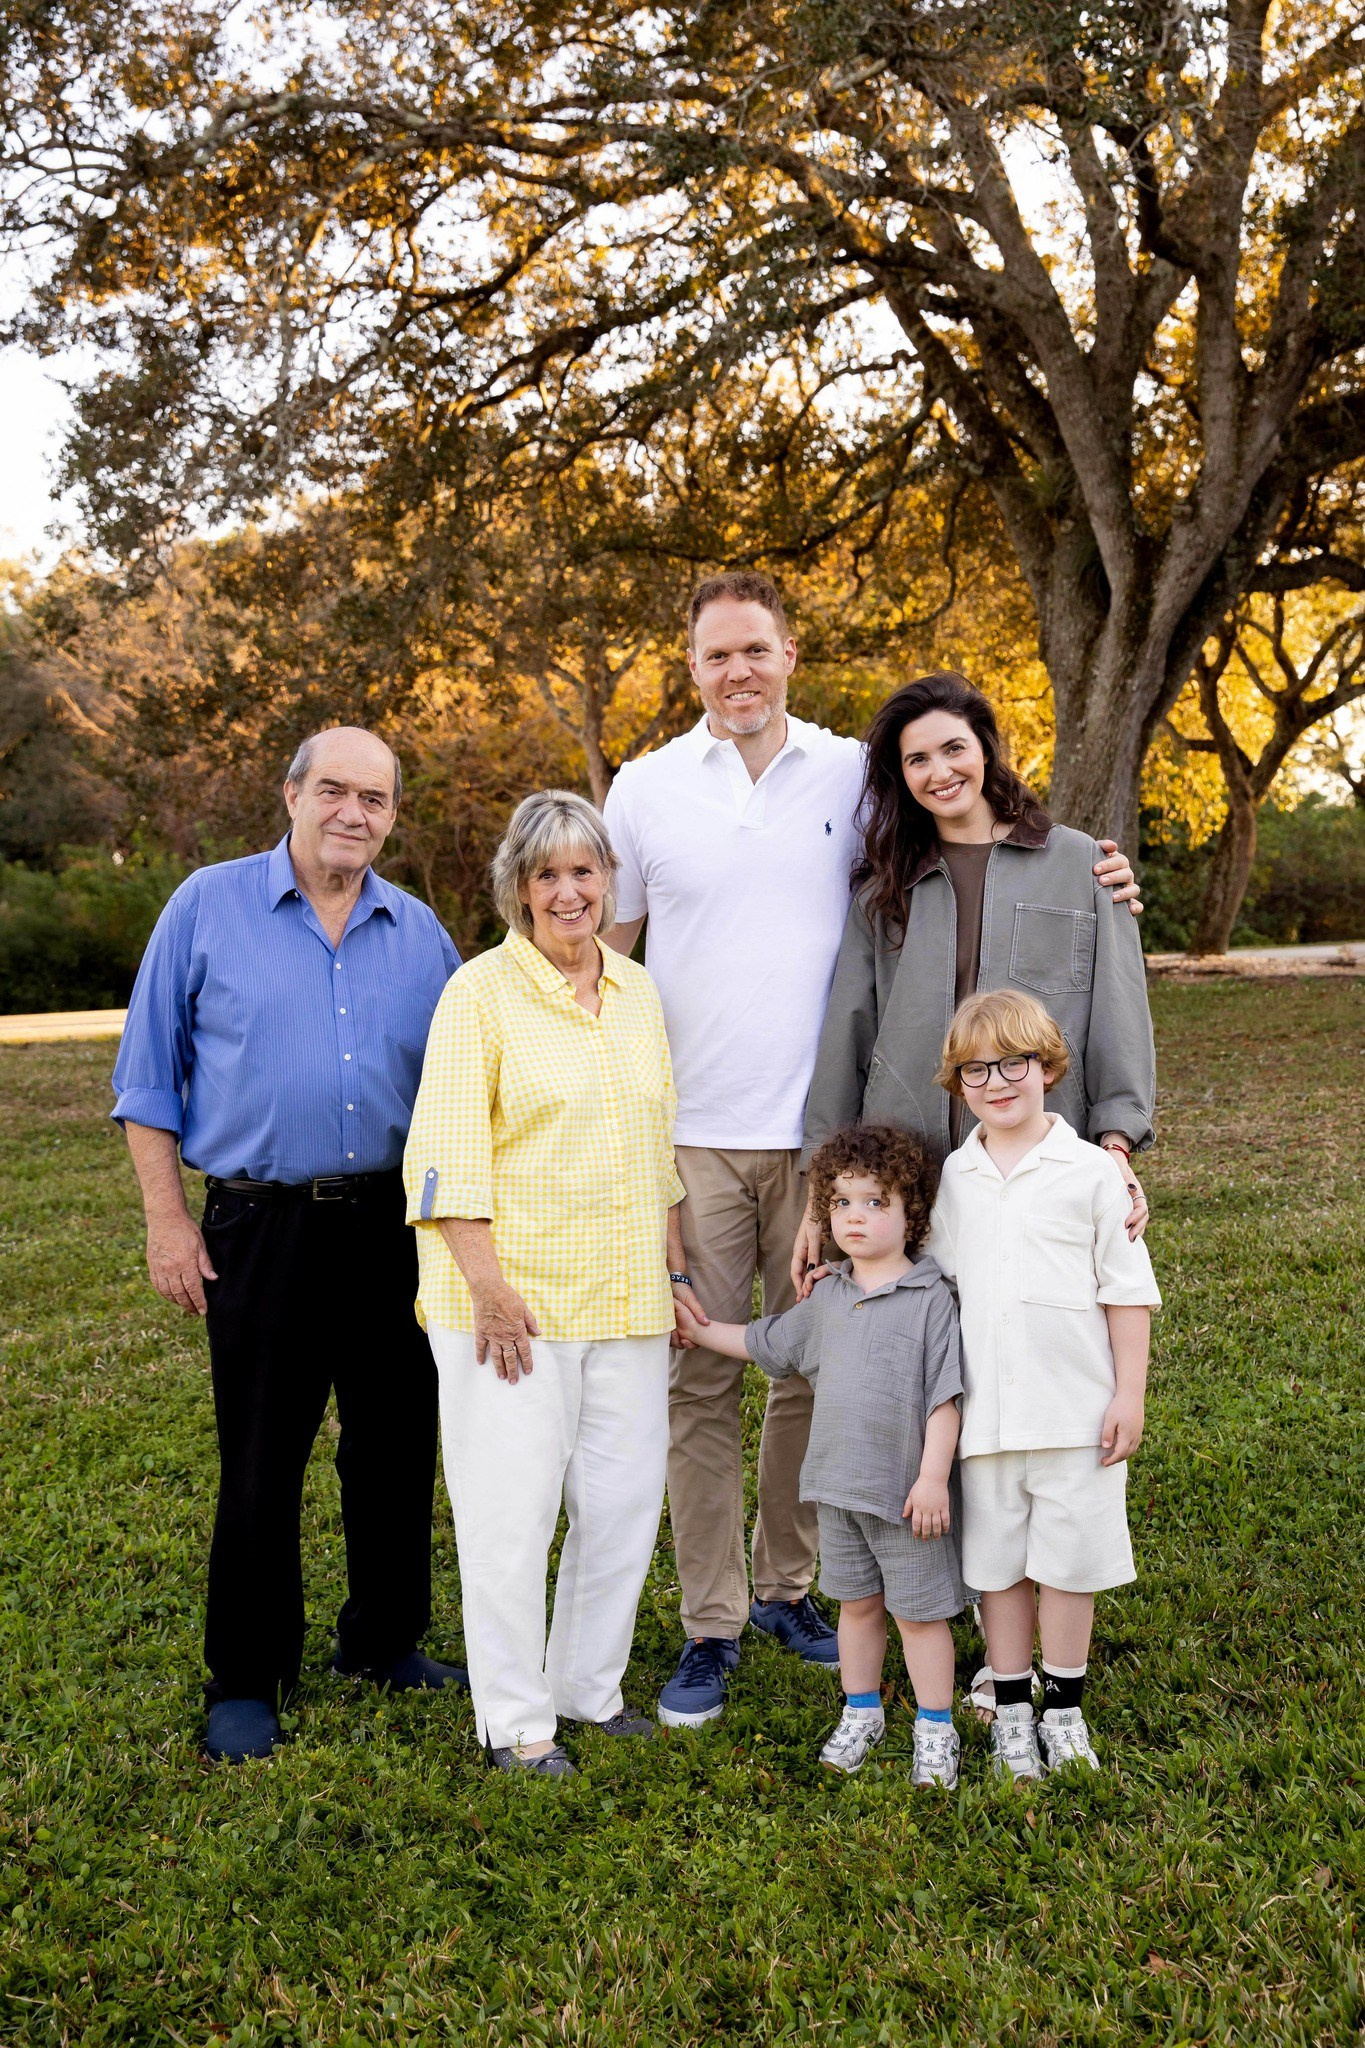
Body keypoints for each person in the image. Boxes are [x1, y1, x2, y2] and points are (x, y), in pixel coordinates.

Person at [602, 578, 1141, 1729]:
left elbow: (1070, 947)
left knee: (839, 1370)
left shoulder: (857, 769)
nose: (738, 671)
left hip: (897, 1150)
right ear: (690, 663)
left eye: (756, 649)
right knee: (702, 1373)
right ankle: (714, 1619)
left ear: (790, 653)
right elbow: (604, 944)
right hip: (719, 1132)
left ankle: (802, 1585)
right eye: (715, 654)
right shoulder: (645, 789)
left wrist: (1109, 881)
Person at [112, 727, 467, 1766]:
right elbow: (147, 1077)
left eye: (376, 798)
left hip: (395, 1225)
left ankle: (386, 1639)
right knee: (262, 1454)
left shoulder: (422, 932)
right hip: (260, 1224)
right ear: (292, 793)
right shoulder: (206, 906)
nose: (353, 812)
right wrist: (167, 1219)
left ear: (394, 814)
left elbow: (467, 1080)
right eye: (334, 791)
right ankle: (247, 1675)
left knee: (397, 1445)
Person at [403, 790, 687, 1778]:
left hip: (626, 1296)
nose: (570, 890)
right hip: (508, 1303)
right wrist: (482, 1283)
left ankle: (588, 1690)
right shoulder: (478, 994)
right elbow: (442, 1155)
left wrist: (675, 1268)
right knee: (510, 1515)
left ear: (609, 878)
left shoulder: (641, 991)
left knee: (619, 1506)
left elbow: (656, 1147)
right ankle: (519, 1722)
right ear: (519, 888)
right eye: (548, 873)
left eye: (585, 870)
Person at [796, 670, 1155, 1288]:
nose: (940, 772)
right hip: (908, 1167)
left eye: (954, 748)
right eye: (917, 759)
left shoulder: (1083, 866)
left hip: (1042, 1156)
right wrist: (820, 1192)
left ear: (985, 748)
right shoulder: (882, 894)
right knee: (914, 1359)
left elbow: (1118, 1016)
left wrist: (1116, 1149)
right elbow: (847, 1040)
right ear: (901, 776)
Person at [675, 1123, 967, 1784]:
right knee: (856, 1608)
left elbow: (945, 1400)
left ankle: (934, 1728)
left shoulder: (931, 1300)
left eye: (875, 1203)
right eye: (840, 1203)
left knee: (918, 1617)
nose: (855, 1217)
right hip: (837, 1493)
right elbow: (762, 1342)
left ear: (910, 1213)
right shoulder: (825, 1297)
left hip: (905, 1500)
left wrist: (931, 1480)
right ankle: (860, 1711)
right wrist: (697, 1326)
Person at [925, 989, 1161, 1779]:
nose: (996, 1083)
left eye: (1013, 1063)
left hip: (1075, 1414)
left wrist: (1126, 1394)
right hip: (985, 1419)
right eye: (975, 1070)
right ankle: (1013, 1710)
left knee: (1066, 1566)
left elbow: (1124, 1293)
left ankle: (1063, 1709)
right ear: (957, 1084)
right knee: (997, 1568)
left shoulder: (1093, 1172)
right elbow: (936, 1291)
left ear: (1047, 1067)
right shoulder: (952, 1180)